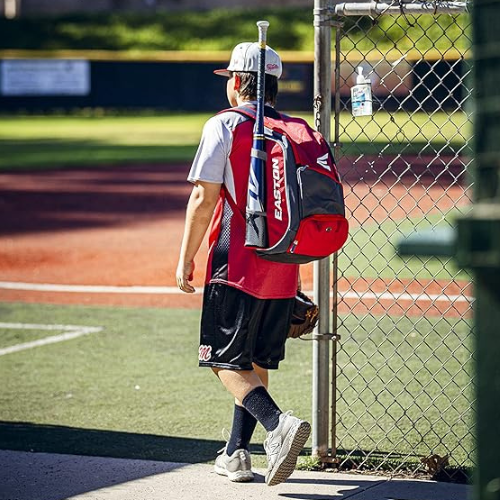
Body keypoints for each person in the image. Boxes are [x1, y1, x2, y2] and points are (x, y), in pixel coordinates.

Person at [176, 41, 311, 487]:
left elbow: (203, 197)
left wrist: (185, 258)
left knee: (222, 359)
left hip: (234, 260)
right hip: (284, 264)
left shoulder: (225, 124)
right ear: (273, 85)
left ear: (236, 82)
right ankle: (236, 454)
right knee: (253, 359)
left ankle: (277, 426)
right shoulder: (293, 127)